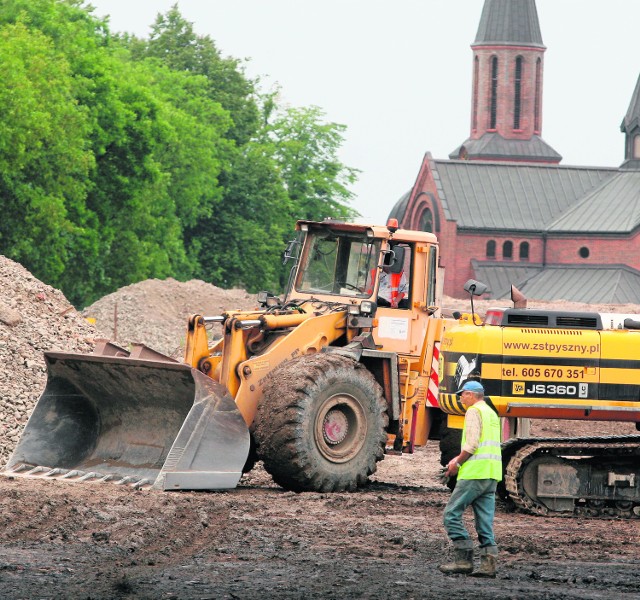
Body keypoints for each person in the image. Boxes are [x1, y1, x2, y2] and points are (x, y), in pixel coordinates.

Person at [438, 379, 502, 578]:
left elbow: (472, 444)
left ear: (472, 395)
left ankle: (463, 560)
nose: (461, 398)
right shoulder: (491, 413)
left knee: (451, 514)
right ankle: (488, 565)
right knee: (484, 521)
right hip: (491, 474)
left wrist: (457, 463)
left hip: (474, 473)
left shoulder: (474, 411)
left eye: (463, 394)